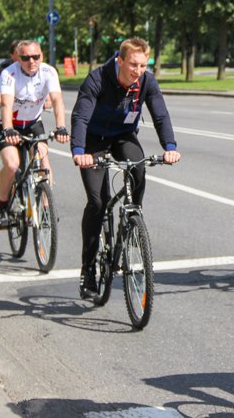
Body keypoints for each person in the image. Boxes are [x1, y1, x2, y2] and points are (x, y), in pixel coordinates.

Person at [71, 37, 181, 299]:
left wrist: (170, 146)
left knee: (139, 168)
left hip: (123, 136)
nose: (138, 71)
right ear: (120, 60)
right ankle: (88, 270)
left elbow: (160, 115)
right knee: (98, 203)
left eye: (143, 65)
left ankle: (132, 220)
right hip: (93, 141)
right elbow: (81, 116)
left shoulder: (146, 81)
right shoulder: (97, 79)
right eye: (133, 64)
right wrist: (78, 151)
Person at [0, 40, 70, 226]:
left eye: (35, 56)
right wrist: (8, 129)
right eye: (25, 57)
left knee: (44, 161)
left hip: (33, 123)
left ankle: (46, 209)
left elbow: (57, 101)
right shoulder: (9, 73)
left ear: (41, 56)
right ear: (18, 58)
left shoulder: (49, 72)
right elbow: (6, 104)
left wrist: (61, 126)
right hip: (9, 124)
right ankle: (3, 204)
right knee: (12, 165)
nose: (31, 61)